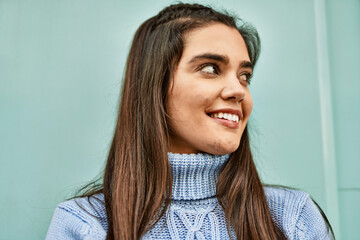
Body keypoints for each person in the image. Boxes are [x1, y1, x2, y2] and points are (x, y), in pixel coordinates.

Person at [46, 3, 334, 240]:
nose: (238, 91)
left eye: (244, 76)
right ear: (154, 86)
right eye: (211, 68)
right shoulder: (85, 224)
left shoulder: (293, 218)